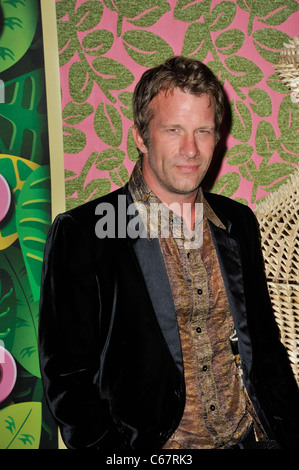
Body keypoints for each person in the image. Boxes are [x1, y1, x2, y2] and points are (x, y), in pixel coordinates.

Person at [38, 56, 299, 450]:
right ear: (142, 137)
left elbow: (265, 347)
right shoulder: (84, 233)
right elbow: (68, 382)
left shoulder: (237, 221)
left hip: (253, 438)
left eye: (203, 131)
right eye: (173, 129)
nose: (191, 149)